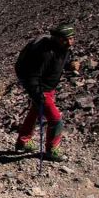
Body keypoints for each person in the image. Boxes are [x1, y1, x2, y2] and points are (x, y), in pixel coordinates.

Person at [14, 23, 81, 161]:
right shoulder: (45, 52)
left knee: (35, 111)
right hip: (41, 88)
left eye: (71, 38)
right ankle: (51, 149)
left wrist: (70, 65)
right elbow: (33, 76)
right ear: (57, 38)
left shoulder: (63, 48)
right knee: (56, 119)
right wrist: (38, 94)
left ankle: (23, 141)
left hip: (48, 87)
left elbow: (60, 63)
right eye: (65, 39)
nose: (69, 42)